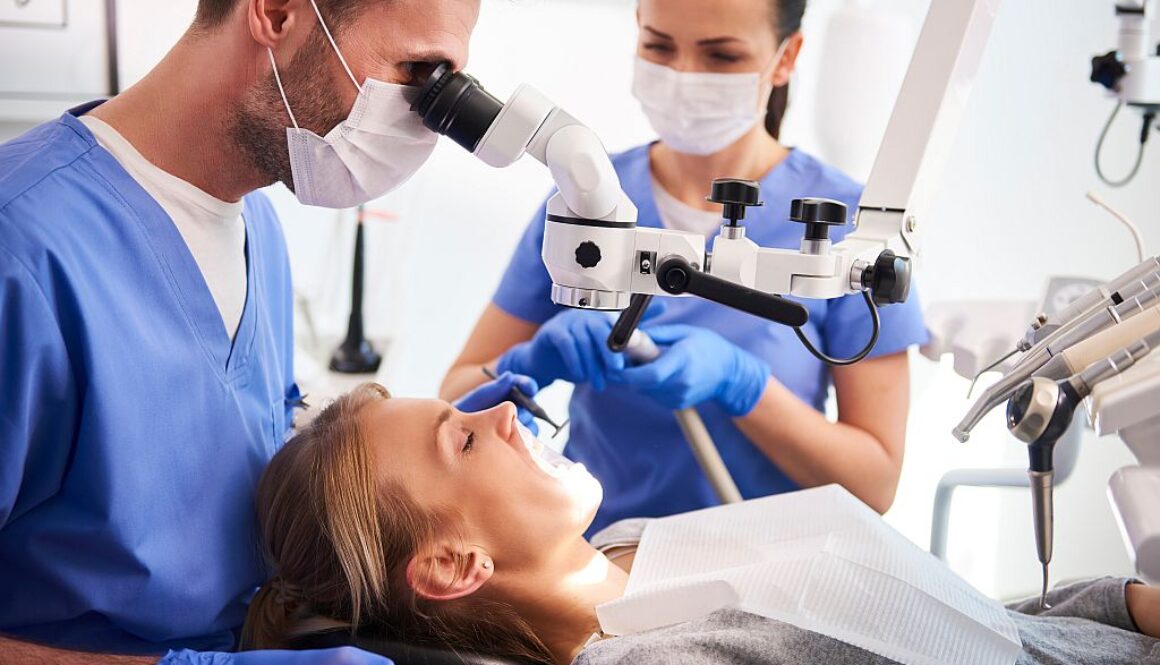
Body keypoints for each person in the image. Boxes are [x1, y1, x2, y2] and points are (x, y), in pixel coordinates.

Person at [0, 0, 539, 662]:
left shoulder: (258, 232)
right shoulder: (19, 249)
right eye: (418, 72)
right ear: (279, 15)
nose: (422, 125)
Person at [439, 0, 929, 536]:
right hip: (595, 555)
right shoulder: (586, 201)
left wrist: (745, 387)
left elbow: (875, 484)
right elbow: (452, 399)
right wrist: (530, 362)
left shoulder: (850, 230)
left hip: (763, 574)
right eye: (659, 46)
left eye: (721, 55)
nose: (683, 76)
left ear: (786, 57)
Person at [238, 384, 1160, 664]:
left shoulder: (626, 545)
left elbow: (939, 624)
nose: (505, 412)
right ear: (450, 563)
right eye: (465, 441)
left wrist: (1118, 602)